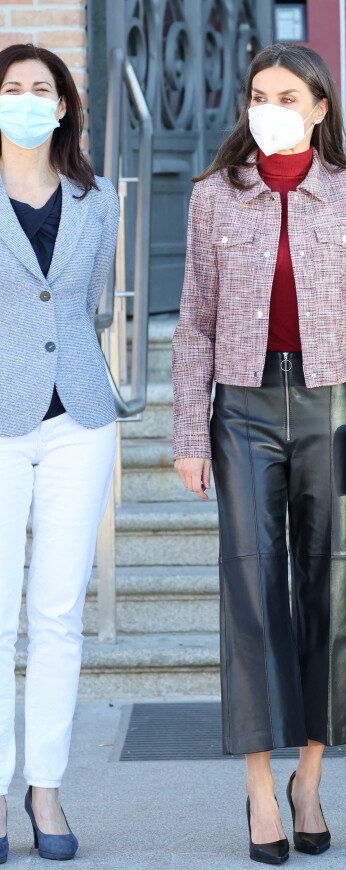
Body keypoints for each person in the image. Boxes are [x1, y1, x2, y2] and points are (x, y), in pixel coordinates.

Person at [173, 42, 346, 865]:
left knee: (330, 586)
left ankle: (310, 774)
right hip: (239, 412)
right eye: (257, 93)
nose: (267, 106)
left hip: (329, 410)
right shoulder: (213, 197)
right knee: (248, 590)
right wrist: (184, 435)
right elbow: (195, 323)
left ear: (317, 109)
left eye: (285, 95)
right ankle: (256, 789)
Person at [0, 44, 119, 862]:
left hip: (80, 418)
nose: (27, 99)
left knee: (57, 617)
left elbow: (95, 300)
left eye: (41, 88)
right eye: (11, 88)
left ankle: (45, 791)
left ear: (67, 105)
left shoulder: (98, 196)